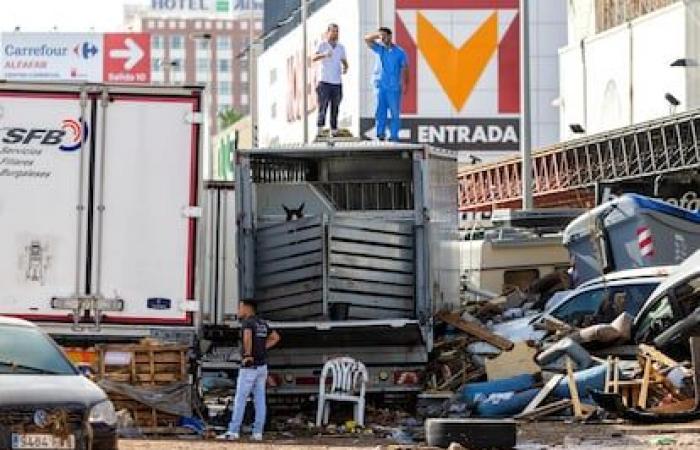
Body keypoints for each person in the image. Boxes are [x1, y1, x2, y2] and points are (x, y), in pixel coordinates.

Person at [218, 299, 280, 441]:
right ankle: (257, 432)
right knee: (260, 399)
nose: (238, 311)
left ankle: (233, 431)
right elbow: (276, 337)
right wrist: (262, 348)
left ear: (247, 308)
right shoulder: (262, 324)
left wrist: (248, 355)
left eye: (240, 307)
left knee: (240, 398)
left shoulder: (248, 323)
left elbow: (247, 338)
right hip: (262, 366)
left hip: (250, 366)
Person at [364, 27, 409, 142]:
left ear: (390, 36)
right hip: (380, 86)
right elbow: (366, 39)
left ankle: (394, 135)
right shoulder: (379, 49)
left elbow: (405, 68)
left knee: (394, 112)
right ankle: (380, 134)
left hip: (393, 87)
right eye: (381, 36)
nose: (382, 38)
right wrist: (377, 35)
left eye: (384, 36)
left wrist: (405, 83)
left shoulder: (400, 52)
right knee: (380, 111)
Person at [311, 23, 348, 138]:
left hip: (337, 82)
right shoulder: (322, 45)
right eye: (333, 31)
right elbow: (313, 58)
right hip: (325, 81)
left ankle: (334, 129)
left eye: (337, 31)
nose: (335, 33)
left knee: (335, 107)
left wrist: (346, 67)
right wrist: (324, 55)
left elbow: (343, 60)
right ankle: (320, 129)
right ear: (328, 32)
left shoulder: (341, 47)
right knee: (323, 106)